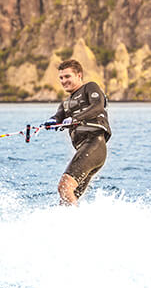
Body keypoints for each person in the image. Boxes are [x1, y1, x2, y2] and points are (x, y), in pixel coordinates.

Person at [44, 59, 111, 205]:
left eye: (67, 76)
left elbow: (98, 107)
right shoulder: (65, 104)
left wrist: (75, 118)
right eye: (61, 78)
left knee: (64, 186)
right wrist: (52, 121)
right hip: (84, 150)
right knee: (68, 195)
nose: (63, 81)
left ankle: (75, 226)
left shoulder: (90, 87)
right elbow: (58, 117)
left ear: (79, 75)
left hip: (95, 145)